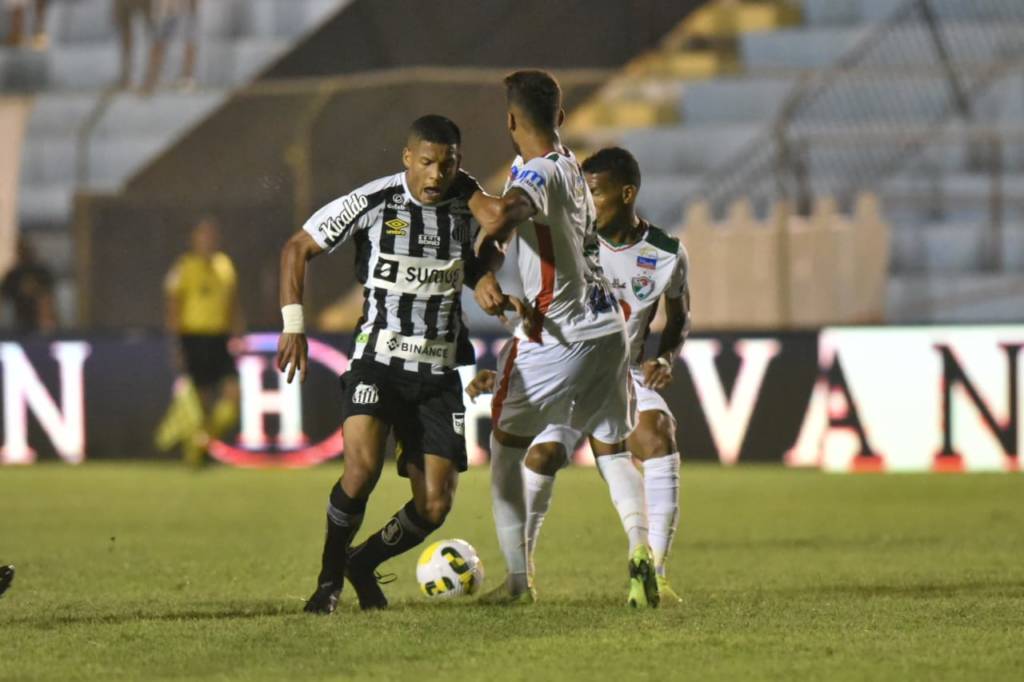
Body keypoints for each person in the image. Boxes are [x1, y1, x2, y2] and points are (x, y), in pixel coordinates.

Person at [277, 114, 486, 615]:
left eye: (448, 163)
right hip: (378, 361)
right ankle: (328, 582)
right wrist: (293, 324)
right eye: (428, 163)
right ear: (407, 159)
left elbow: (476, 256)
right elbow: (297, 247)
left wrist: (486, 281)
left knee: (435, 505)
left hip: (438, 373)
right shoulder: (375, 201)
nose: (437, 174)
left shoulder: (468, 204)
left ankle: (361, 563)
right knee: (361, 468)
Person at [466, 71, 659, 607]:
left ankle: (518, 584)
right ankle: (642, 550)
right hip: (606, 331)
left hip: (557, 335)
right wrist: (488, 266)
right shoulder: (572, 165)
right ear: (562, 118)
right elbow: (516, 236)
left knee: (504, 454)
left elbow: (509, 213)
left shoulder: (532, 175)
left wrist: (471, 200)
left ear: (509, 122)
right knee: (613, 449)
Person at [159, 217, 242, 467]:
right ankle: (197, 454)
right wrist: (176, 343)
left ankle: (198, 442)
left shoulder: (225, 265)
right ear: (193, 239)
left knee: (232, 397)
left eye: (211, 235)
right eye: (202, 235)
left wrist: (238, 332)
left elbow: (233, 304)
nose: (207, 240)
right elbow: (173, 306)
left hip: (220, 338)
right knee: (201, 400)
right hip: (193, 338)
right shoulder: (183, 267)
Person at [114, 0, 199, 92]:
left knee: (188, 40)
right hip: (166, 10)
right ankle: (150, 80)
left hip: (182, 9)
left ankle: (186, 79)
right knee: (158, 43)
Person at [0, 238, 56, 334]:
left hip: (41, 322)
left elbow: (48, 297)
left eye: (26, 250)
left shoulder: (41, 272)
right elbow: (4, 298)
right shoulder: (13, 275)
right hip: (19, 320)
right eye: (21, 250)